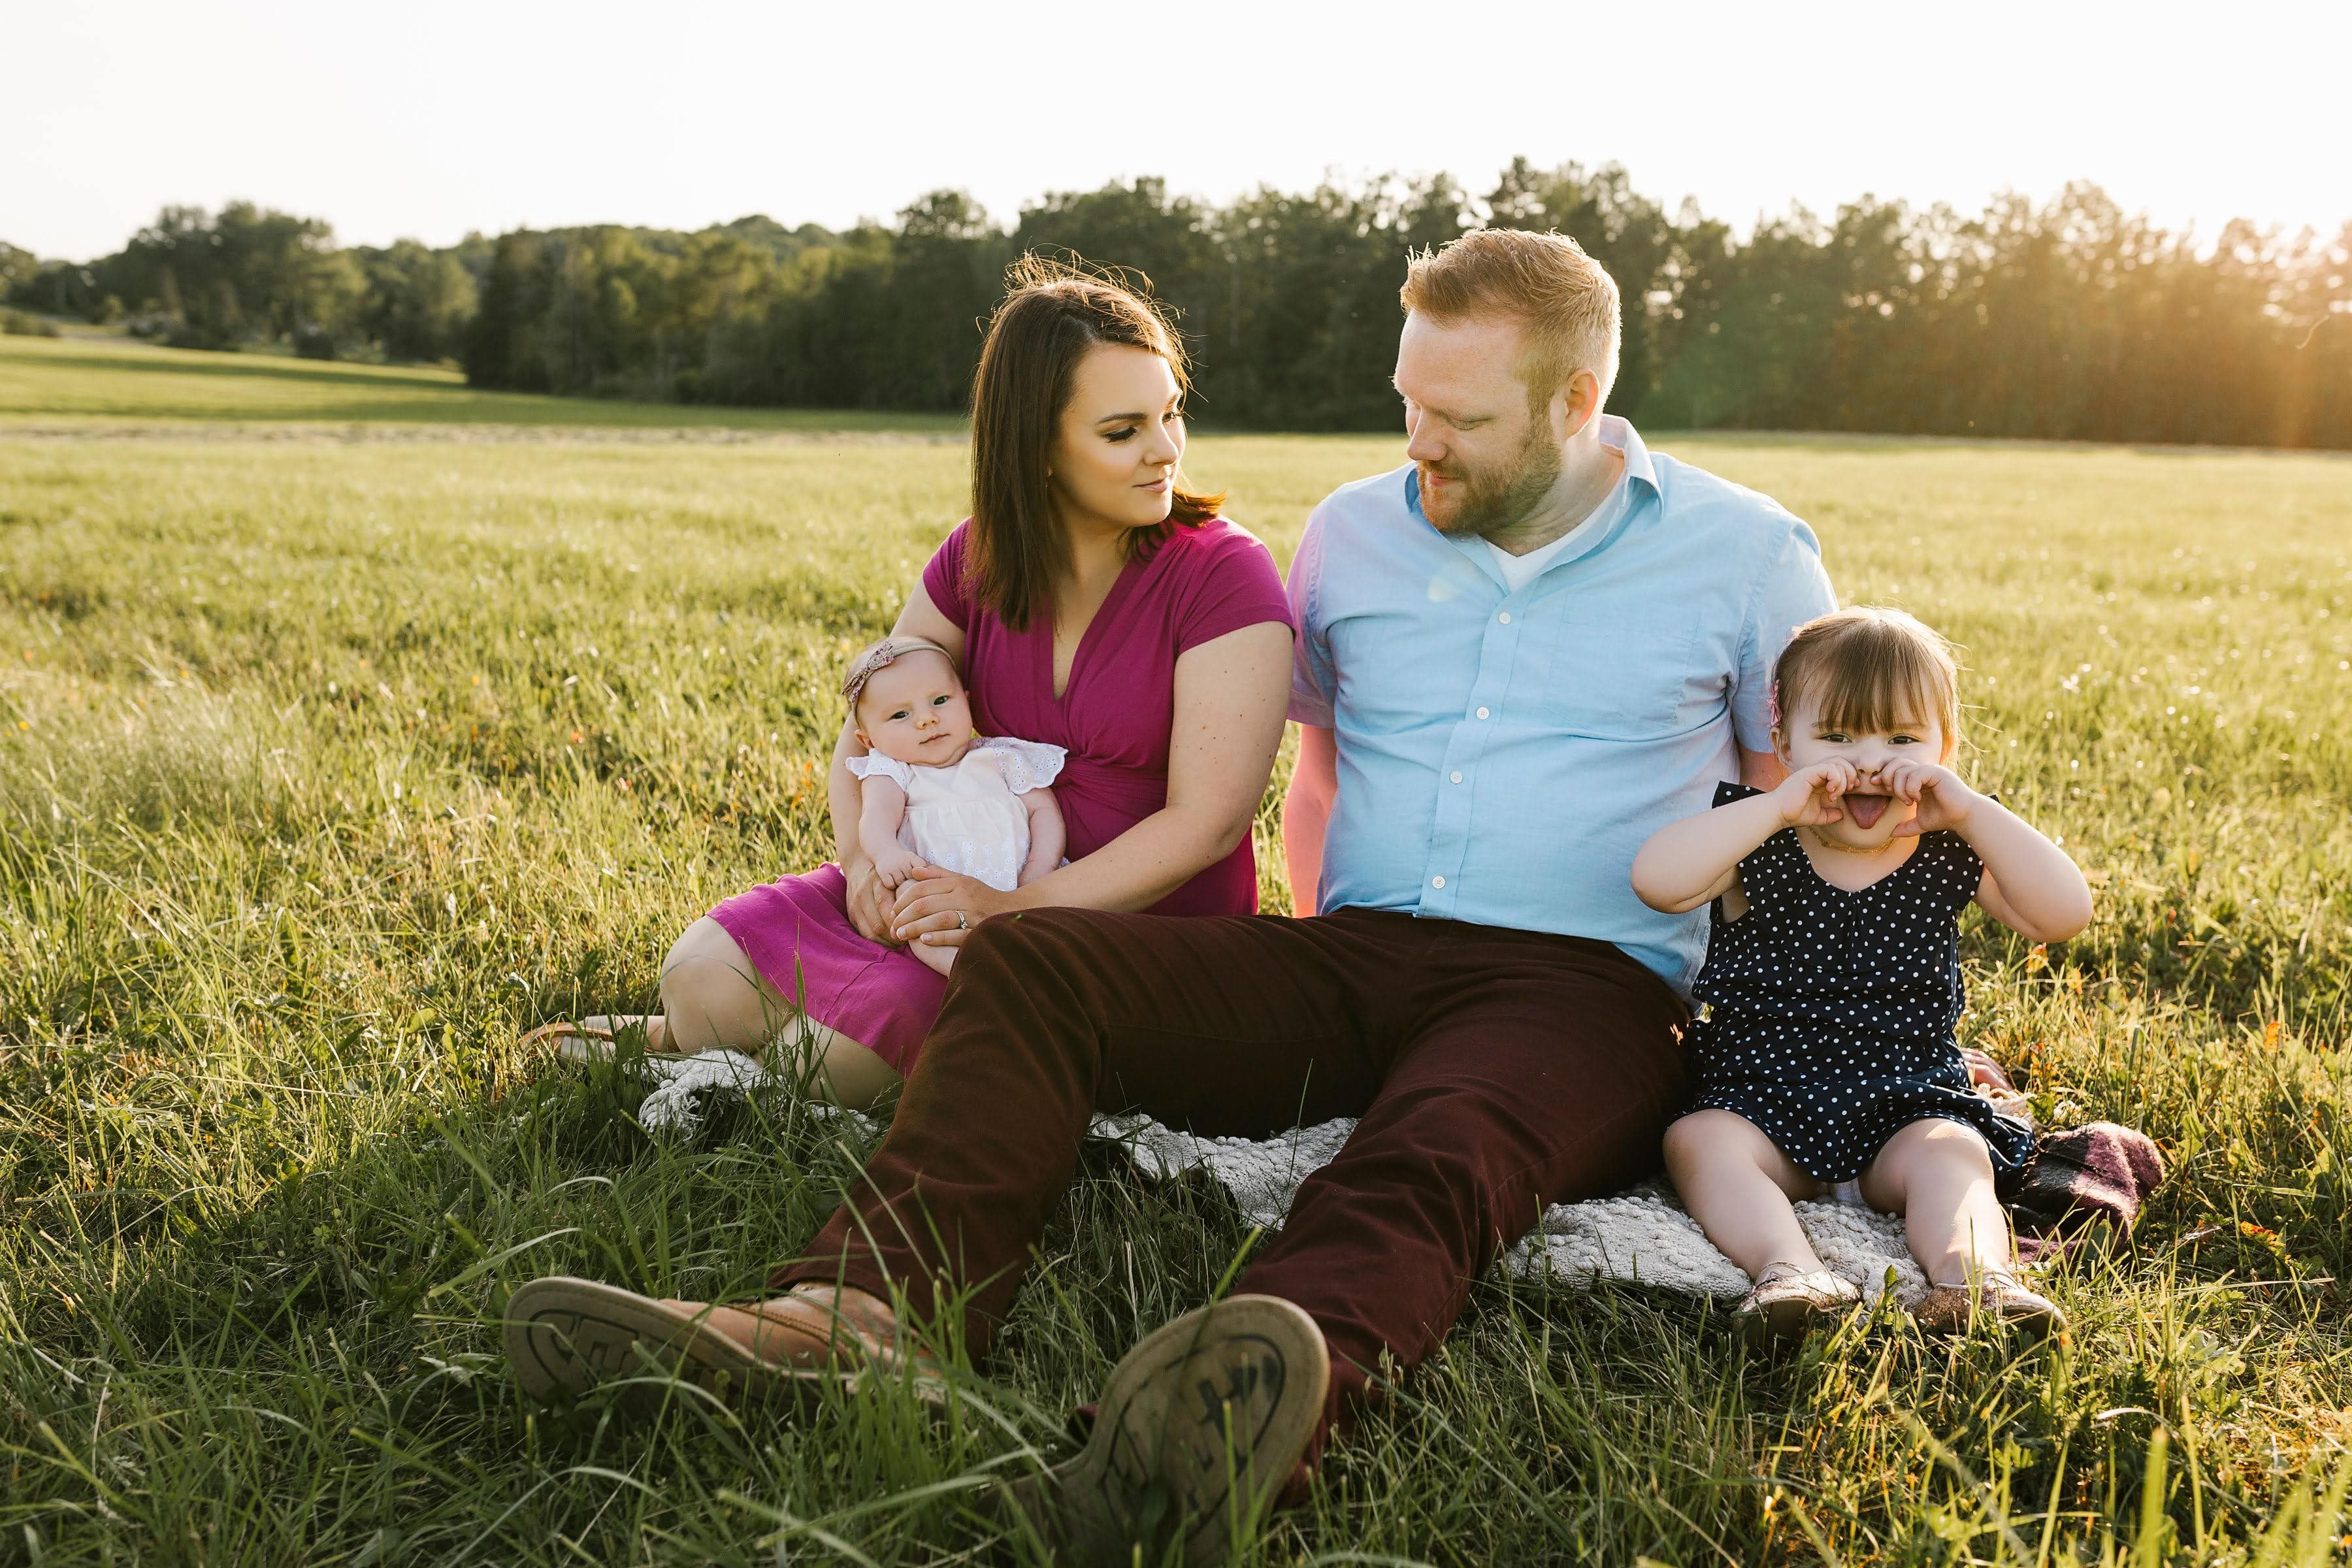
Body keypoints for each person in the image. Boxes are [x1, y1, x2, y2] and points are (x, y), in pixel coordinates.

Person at [507, 229, 1838, 1563]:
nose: (1418, 442)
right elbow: (1316, 776)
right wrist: (1318, 954)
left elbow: (1796, 820)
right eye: (1408, 403)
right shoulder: (1360, 534)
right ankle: (852, 1321)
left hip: (1583, 984)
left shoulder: (1745, 557)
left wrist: (1816, 1044)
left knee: (1434, 1150)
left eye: (1460, 419)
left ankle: (1200, 1432)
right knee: (1039, 961)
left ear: (1576, 404)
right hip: (1357, 953)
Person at [525, 259, 1295, 1107]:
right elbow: (868, 727)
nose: (1166, 451)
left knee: (837, 1059)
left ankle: (695, 1068)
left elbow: (1209, 823)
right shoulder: (977, 557)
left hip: (1119, 923)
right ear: (1035, 443)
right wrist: (862, 866)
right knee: (700, 979)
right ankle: (696, 1046)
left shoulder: (1225, 575)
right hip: (937, 876)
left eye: (1170, 413)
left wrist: (1010, 906)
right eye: (1123, 431)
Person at [1631, 608, 2093, 1340]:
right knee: (1698, 1141)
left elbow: (2062, 913)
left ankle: (1976, 1284)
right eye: (1838, 737)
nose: (1870, 760)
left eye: (1903, 739)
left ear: (1945, 748)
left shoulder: (1948, 848)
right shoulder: (1758, 837)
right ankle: (1790, 1272)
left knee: (1954, 1152)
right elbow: (1657, 880)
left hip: (1902, 1101)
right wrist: (1777, 807)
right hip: (1764, 1099)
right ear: (1783, 744)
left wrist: (1972, 812)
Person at [838, 634, 1066, 977]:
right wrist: (888, 855)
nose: (927, 719)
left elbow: (1043, 811)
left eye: (941, 700)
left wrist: (1041, 867)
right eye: (901, 714)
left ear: (967, 701)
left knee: (1062, 926)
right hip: (939, 893)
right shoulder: (894, 772)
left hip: (1023, 888)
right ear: (869, 741)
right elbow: (875, 819)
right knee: (921, 919)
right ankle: (973, 975)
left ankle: (1037, 971)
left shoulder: (1001, 757)